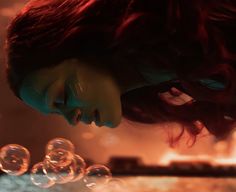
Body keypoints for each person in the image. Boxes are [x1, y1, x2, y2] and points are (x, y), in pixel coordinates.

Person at [4, 0, 236, 146]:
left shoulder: (185, 16)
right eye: (61, 113)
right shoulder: (170, 81)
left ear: (76, 43)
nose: (72, 119)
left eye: (61, 97)